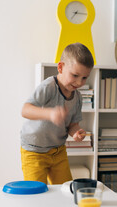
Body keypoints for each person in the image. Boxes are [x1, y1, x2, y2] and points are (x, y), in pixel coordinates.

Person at [20, 42, 94, 185]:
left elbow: (73, 124)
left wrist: (76, 133)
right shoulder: (48, 87)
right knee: (36, 192)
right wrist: (50, 114)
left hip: (58, 151)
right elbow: (25, 110)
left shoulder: (78, 97)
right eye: (75, 75)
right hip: (34, 151)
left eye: (84, 78)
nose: (79, 82)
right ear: (60, 67)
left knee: (65, 189)